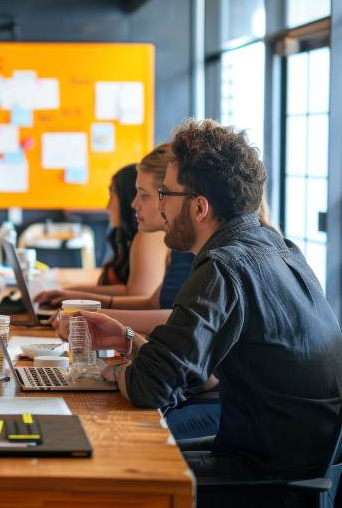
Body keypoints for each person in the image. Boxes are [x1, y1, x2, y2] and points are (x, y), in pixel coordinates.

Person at [60, 119, 342, 485]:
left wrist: (103, 373)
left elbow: (150, 388)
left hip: (271, 473)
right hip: (297, 457)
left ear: (199, 208)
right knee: (128, 453)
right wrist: (128, 340)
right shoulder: (278, 247)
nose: (159, 206)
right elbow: (190, 369)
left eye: (166, 193)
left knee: (111, 472)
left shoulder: (223, 267)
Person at [37, 147, 194, 330]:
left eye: (144, 195)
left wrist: (90, 314)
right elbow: (153, 304)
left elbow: (180, 320)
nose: (134, 204)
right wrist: (79, 303)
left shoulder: (185, 248)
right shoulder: (178, 247)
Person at [37, 164, 168, 307]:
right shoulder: (129, 238)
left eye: (112, 195)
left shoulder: (148, 237)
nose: (107, 206)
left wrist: (75, 296)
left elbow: (138, 297)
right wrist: (69, 292)